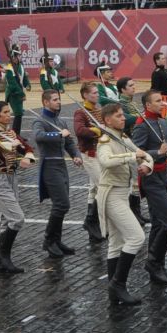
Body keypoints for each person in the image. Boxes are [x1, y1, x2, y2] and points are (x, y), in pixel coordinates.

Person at [93, 102, 151, 305]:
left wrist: (146, 166)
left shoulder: (124, 138)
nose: (123, 118)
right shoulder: (105, 140)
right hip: (110, 195)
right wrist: (131, 156)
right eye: (118, 116)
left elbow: (145, 155)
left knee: (116, 244)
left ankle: (115, 290)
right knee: (136, 237)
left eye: (122, 115)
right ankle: (118, 283)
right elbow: (106, 161)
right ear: (108, 120)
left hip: (122, 194)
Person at [131, 90, 167, 287]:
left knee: (159, 223)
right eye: (158, 101)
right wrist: (157, 152)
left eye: (161, 100)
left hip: (163, 177)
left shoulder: (163, 122)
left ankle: (158, 265)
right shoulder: (142, 126)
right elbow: (136, 153)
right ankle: (152, 263)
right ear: (147, 105)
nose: (162, 103)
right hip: (150, 178)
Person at [0, 98, 34, 275]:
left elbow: (27, 147)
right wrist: (6, 144)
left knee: (6, 220)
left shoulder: (11, 132)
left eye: (9, 112)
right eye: (5, 112)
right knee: (17, 219)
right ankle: (3, 255)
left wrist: (27, 156)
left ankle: (3, 260)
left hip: (12, 178)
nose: (9, 115)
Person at [29, 87, 78, 258]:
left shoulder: (61, 121)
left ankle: (57, 240)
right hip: (49, 166)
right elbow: (38, 136)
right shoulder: (40, 121)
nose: (59, 102)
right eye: (55, 99)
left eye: (59, 99)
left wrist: (75, 155)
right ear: (46, 102)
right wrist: (58, 135)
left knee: (63, 205)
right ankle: (49, 241)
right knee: (61, 204)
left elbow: (69, 142)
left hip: (61, 166)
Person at [73, 80, 106, 243]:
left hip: (101, 152)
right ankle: (92, 221)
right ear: (85, 95)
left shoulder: (98, 110)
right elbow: (79, 131)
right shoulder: (81, 112)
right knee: (103, 186)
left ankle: (91, 222)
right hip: (89, 153)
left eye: (97, 92)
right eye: (94, 92)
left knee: (93, 188)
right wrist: (96, 130)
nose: (97, 95)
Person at [2, 54, 27, 134]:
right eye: (15, 57)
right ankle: (15, 134)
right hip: (13, 94)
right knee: (18, 113)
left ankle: (17, 134)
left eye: (18, 56)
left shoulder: (20, 66)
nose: (17, 58)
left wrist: (27, 84)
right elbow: (13, 85)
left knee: (19, 114)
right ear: (12, 58)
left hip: (19, 93)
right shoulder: (9, 69)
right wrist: (22, 94)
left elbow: (24, 77)